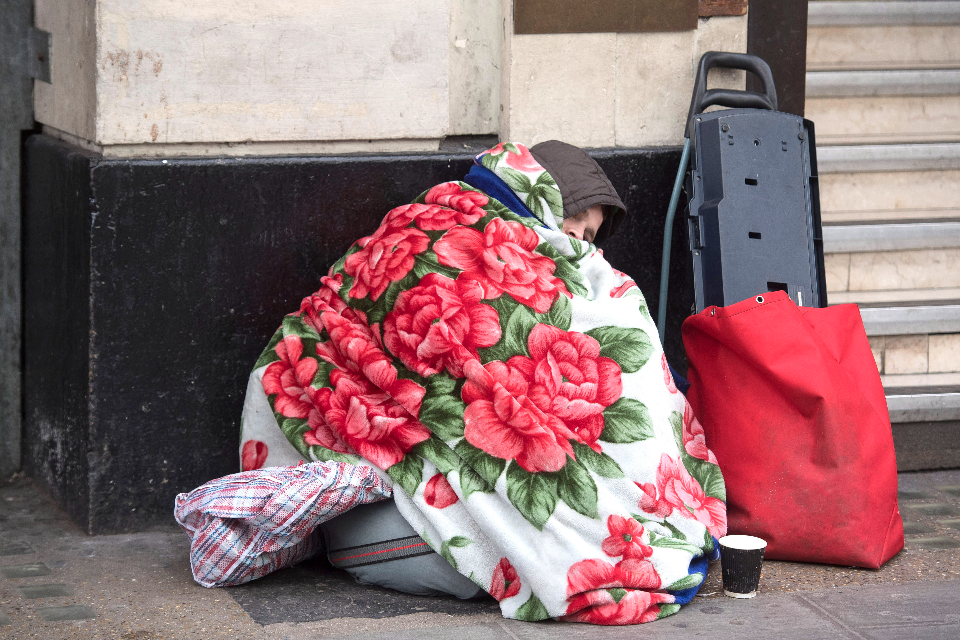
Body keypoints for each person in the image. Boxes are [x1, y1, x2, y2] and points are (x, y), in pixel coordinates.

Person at [235, 140, 726, 625]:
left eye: (593, 237)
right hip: (387, 491)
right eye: (576, 223)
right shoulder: (433, 227)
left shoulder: (541, 267)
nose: (582, 245)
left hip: (383, 509)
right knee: (514, 556)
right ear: (541, 199)